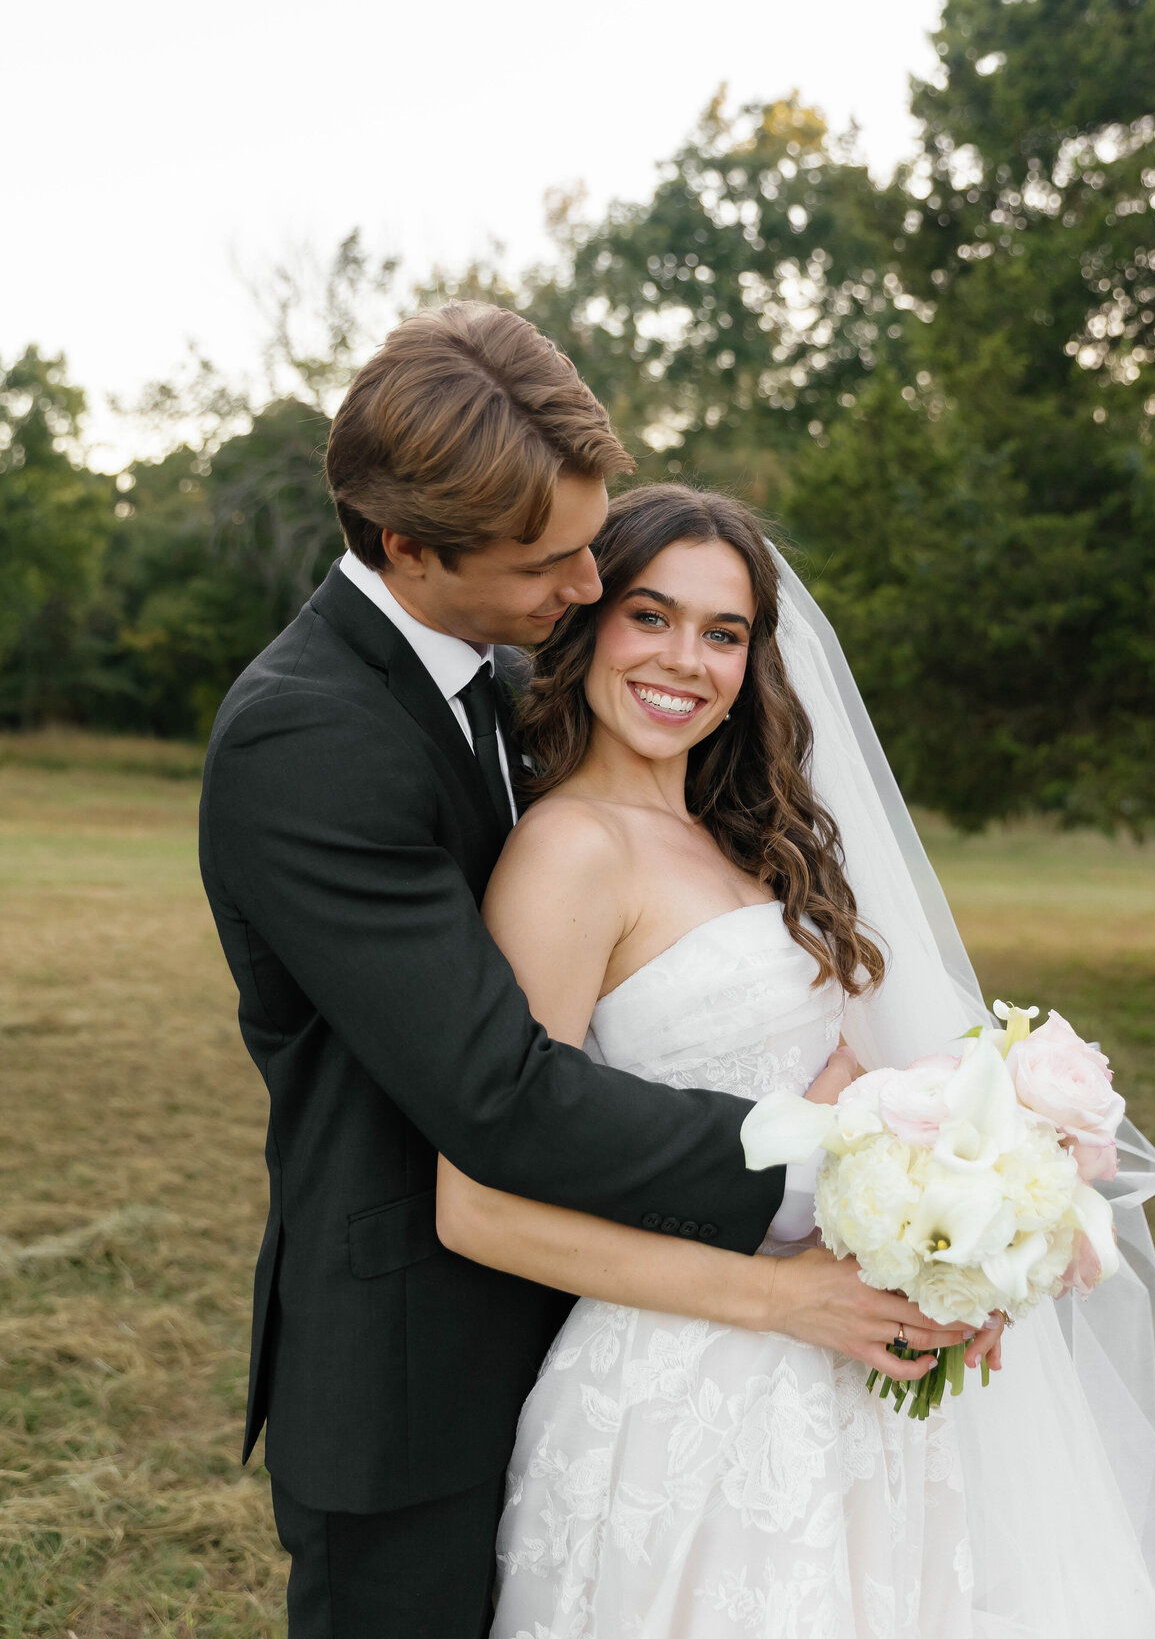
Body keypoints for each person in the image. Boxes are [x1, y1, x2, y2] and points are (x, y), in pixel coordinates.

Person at [197, 305, 965, 1639]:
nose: (586, 587)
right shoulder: (306, 739)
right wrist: (832, 1159)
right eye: (553, 563)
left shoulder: (492, 695)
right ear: (407, 546)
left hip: (601, 1323)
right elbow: (498, 1094)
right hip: (411, 1365)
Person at [436, 482, 1155, 1637]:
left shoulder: (743, 842)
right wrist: (782, 1302)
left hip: (853, 1373)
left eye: (723, 632)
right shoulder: (566, 854)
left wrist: (963, 1242)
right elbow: (479, 1208)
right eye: (651, 615)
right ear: (588, 624)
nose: (684, 659)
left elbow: (835, 1095)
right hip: (690, 1392)